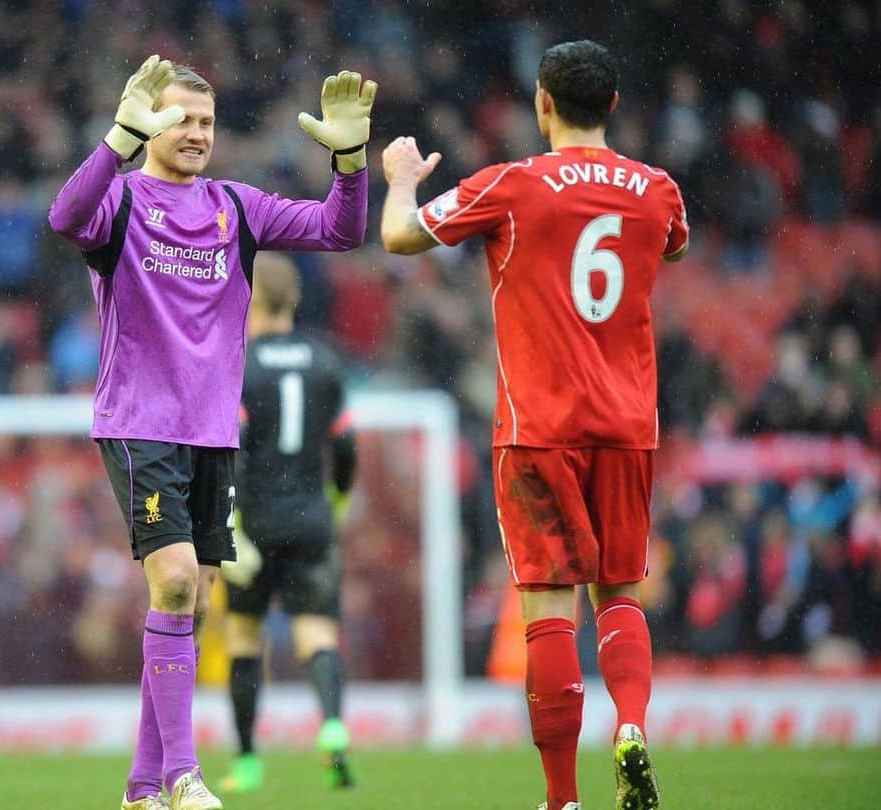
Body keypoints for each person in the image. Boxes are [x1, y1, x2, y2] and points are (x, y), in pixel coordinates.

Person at [48, 56, 376, 810]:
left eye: (206, 122)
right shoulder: (122, 202)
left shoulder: (237, 206)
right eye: (180, 120)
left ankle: (139, 789)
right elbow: (65, 218)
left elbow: (340, 229)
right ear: (151, 122)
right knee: (173, 582)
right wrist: (118, 138)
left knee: (192, 606)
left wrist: (350, 162)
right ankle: (181, 776)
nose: (196, 134)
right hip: (139, 425)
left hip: (212, 436)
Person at [380, 40, 688, 810]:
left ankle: (561, 800)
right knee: (619, 595)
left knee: (550, 608)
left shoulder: (512, 184)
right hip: (627, 425)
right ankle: (632, 725)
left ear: (542, 103)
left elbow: (399, 238)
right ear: (613, 105)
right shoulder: (657, 190)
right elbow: (672, 247)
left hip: (539, 427)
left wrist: (399, 183)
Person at [217, 253, 358, 793]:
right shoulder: (325, 361)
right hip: (312, 519)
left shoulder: (240, 362)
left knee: (245, 638)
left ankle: (249, 762)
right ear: (294, 301)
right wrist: (337, 500)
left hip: (253, 524)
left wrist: (227, 521)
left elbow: (233, 447)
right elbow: (345, 444)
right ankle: (332, 727)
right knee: (317, 632)